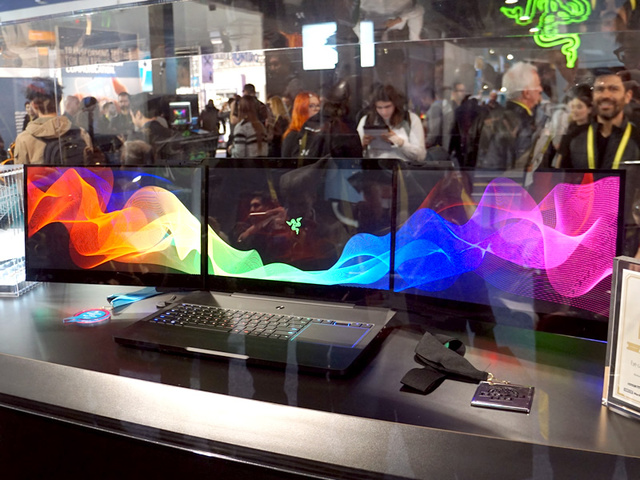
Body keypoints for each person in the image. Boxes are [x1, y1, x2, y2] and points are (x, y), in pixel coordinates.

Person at [558, 70, 640, 257]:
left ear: (627, 96)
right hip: (580, 236)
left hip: (626, 236)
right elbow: (561, 187)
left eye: (613, 89)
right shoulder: (574, 138)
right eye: (600, 89)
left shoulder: (637, 139)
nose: (606, 95)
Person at [475, 62, 545, 170]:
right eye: (537, 85)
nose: (540, 89)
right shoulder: (522, 123)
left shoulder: (496, 116)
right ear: (526, 93)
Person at [13, 77, 92, 165]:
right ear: (59, 100)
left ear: (34, 105)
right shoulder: (81, 133)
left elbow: (21, 173)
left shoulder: (24, 139)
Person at [357, 83, 426, 164]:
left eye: (387, 106)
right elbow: (355, 156)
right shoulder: (366, 120)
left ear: (395, 104)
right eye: (379, 107)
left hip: (403, 168)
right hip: (374, 168)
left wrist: (400, 142)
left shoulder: (411, 119)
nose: (384, 112)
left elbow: (420, 156)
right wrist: (362, 145)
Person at [553, 85, 593, 167]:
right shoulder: (569, 130)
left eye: (579, 107)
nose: (574, 110)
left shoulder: (593, 132)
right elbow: (560, 158)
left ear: (589, 109)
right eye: (572, 107)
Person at [128, 92, 175, 162]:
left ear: (138, 114)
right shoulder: (171, 134)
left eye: (131, 115)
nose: (132, 119)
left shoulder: (134, 140)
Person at [426, 82, 467, 152]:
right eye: (461, 91)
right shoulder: (442, 107)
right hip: (446, 147)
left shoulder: (457, 108)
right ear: (453, 93)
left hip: (452, 147)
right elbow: (437, 130)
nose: (463, 93)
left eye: (464, 91)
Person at [281, 91, 321, 158]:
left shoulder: (324, 133)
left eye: (318, 105)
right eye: (311, 106)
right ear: (301, 109)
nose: (316, 109)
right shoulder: (293, 137)